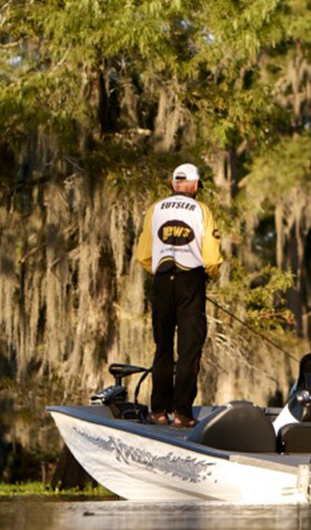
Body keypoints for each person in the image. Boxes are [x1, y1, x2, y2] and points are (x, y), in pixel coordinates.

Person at [133, 163, 223, 428]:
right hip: (190, 280)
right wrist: (207, 274)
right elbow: (212, 257)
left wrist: (160, 272)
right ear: (194, 185)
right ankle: (182, 413)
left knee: (162, 347)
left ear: (174, 184)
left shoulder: (155, 209)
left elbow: (143, 254)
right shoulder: (201, 210)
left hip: (162, 280)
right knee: (189, 348)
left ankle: (159, 410)